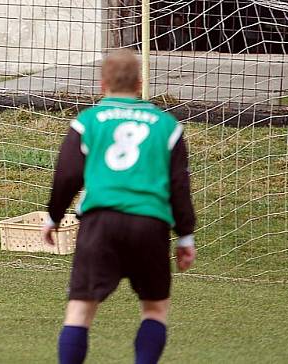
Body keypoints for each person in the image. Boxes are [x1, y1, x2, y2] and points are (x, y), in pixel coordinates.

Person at [41, 49, 197, 364]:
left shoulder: (88, 121)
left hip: (100, 223)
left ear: (102, 85)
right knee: (155, 308)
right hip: (150, 223)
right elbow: (179, 186)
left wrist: (53, 217)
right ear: (140, 84)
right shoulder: (167, 126)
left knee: (81, 309)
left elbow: (68, 175)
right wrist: (185, 236)